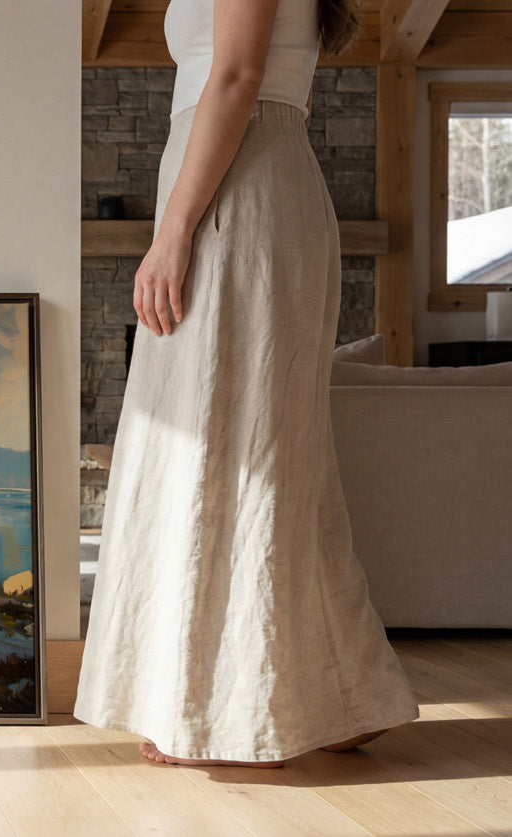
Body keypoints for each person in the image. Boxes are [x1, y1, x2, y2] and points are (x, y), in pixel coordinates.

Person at [72, 0, 421, 768]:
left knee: (226, 448)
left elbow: (234, 77)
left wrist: (171, 232)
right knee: (258, 451)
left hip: (240, 196)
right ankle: (337, 696)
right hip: (247, 184)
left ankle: (214, 706)